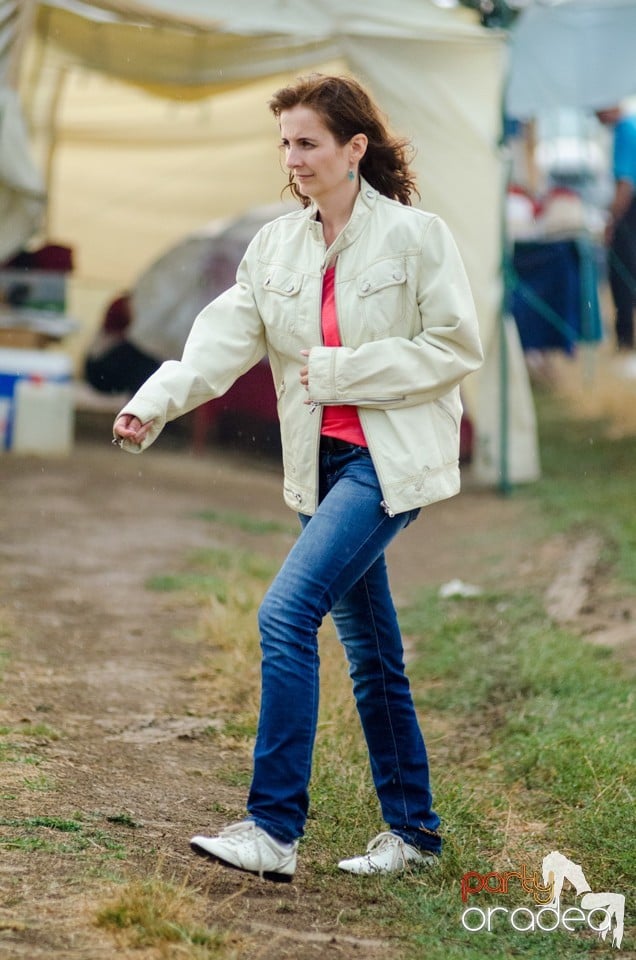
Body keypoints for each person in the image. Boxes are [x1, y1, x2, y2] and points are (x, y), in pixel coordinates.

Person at [113, 73, 483, 882]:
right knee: (372, 653)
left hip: (386, 466)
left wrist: (342, 370)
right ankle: (414, 832)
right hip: (319, 469)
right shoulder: (275, 246)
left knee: (285, 615)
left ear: (355, 148)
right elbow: (219, 342)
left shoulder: (418, 238)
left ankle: (274, 828)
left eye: (308, 142)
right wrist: (154, 405)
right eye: (285, 143)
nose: (293, 158)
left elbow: (456, 348)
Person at [596, 106, 636, 350]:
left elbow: (625, 184)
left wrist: (611, 222)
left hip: (629, 215)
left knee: (623, 279)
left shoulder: (624, 130)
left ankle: (625, 341)